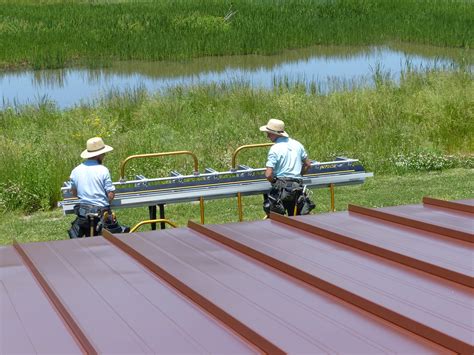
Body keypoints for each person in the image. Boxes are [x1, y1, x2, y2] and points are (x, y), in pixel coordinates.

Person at [68, 137, 126, 238]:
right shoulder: (103, 170)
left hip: (83, 215)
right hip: (101, 214)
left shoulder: (76, 170)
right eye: (103, 154)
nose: (104, 156)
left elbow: (74, 193)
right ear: (99, 155)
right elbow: (110, 194)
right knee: (115, 238)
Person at [260, 118, 315, 216]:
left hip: (281, 188)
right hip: (297, 188)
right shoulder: (297, 144)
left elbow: (268, 174)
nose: (267, 135)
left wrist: (274, 182)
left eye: (269, 133)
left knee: (276, 219)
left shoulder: (275, 149)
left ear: (276, 133)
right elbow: (308, 164)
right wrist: (298, 175)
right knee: (298, 219)